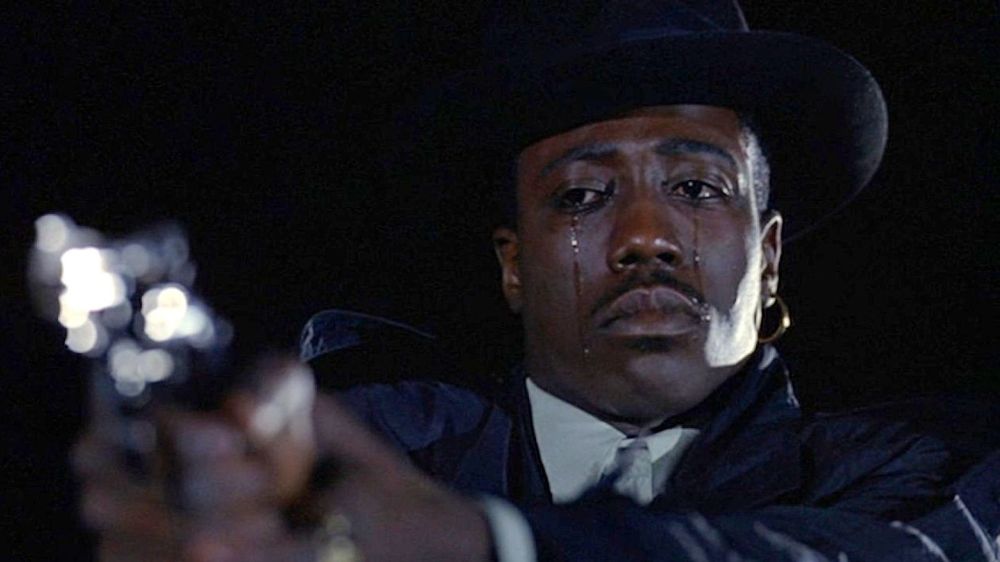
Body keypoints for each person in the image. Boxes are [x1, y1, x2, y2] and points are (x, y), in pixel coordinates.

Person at [74, 1, 1000, 561]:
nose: (645, 238)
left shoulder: (926, 478)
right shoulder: (372, 445)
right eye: (583, 197)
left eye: (695, 188)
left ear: (771, 254)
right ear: (513, 263)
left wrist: (485, 545)